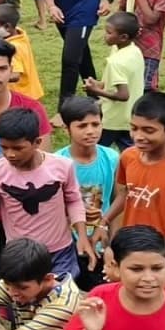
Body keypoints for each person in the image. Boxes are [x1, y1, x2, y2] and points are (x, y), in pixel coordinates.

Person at [0, 108, 93, 279]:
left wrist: (82, 236)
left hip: (59, 251)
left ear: (37, 142)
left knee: (58, 298)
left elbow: (73, 200)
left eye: (18, 148)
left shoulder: (62, 167)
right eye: (4, 147)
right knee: (22, 298)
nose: (10, 154)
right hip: (19, 255)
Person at [98, 92, 165, 253]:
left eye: (148, 130)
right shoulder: (128, 156)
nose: (138, 136)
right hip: (131, 248)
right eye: (134, 128)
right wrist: (104, 222)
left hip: (162, 255)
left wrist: (152, 258)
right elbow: (125, 194)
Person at [54, 97, 119, 289]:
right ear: (67, 129)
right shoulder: (57, 163)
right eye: (82, 126)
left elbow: (118, 202)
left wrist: (112, 242)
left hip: (102, 238)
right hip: (68, 243)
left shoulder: (112, 158)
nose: (90, 131)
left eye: (95, 124)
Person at [82, 12, 145, 149]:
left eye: (109, 33)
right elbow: (122, 81)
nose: (105, 35)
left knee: (93, 150)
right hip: (129, 115)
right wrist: (100, 84)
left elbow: (123, 95)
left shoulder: (116, 62)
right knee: (132, 151)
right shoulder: (134, 51)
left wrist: (95, 90)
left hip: (112, 118)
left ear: (123, 37)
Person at [0, 4, 43, 101]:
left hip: (21, 96)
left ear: (7, 27)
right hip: (32, 91)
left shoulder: (11, 48)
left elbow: (15, 76)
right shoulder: (21, 35)